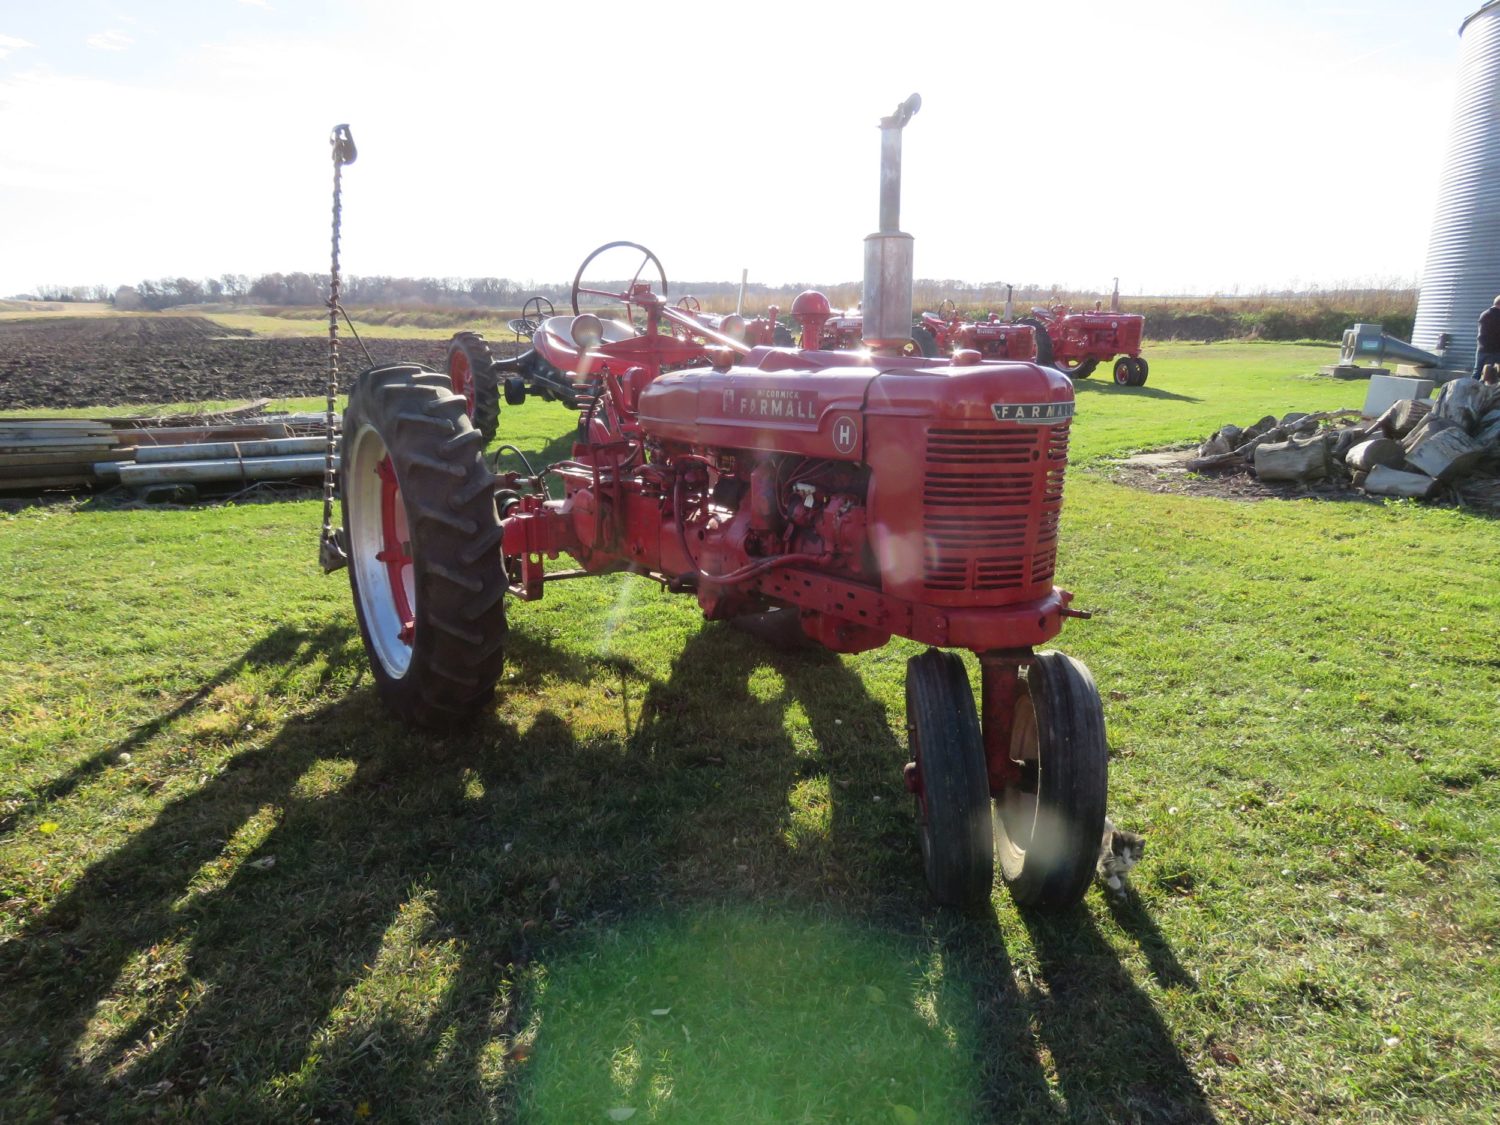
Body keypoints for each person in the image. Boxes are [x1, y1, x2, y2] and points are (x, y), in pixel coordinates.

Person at [1475, 295, 1500, 378]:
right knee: (1492, 375)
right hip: (1495, 350)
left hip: (1482, 348)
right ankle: (1489, 390)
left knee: (1477, 372)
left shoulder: (1484, 314)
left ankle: (1473, 389)